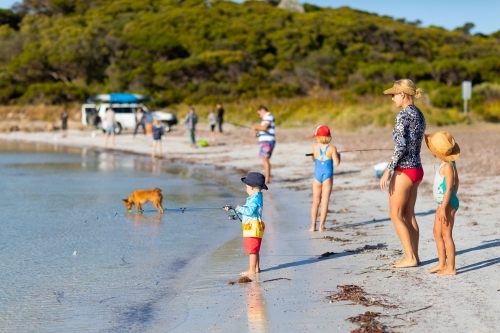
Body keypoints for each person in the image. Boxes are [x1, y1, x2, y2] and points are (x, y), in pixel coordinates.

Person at [379, 79, 426, 268]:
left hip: (404, 170)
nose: (392, 98)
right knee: (409, 214)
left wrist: (388, 170)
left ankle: (410, 257)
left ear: (403, 95)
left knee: (395, 214)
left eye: (394, 95)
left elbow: (400, 146)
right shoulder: (420, 114)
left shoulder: (402, 116)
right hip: (417, 169)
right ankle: (414, 256)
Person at [424, 131, 460, 276]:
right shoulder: (443, 163)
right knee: (436, 232)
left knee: (446, 234)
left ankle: (451, 267)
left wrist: (445, 207)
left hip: (447, 204)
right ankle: (442, 263)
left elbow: (450, 187)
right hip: (442, 203)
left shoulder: (448, 166)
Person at [224, 172, 267, 275]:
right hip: (254, 226)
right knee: (255, 249)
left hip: (253, 227)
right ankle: (256, 268)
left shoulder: (255, 199)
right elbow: (246, 211)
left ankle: (252, 269)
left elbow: (249, 211)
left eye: (246, 187)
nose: (246, 189)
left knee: (252, 250)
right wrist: (233, 210)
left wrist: (239, 208)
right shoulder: (256, 197)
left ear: (252, 187)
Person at [309, 125, 341, 232]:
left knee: (315, 202)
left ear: (318, 137)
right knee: (325, 201)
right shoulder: (332, 148)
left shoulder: (314, 146)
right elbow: (336, 163)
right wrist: (338, 155)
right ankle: (321, 226)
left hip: (317, 176)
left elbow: (313, 159)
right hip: (328, 176)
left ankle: (312, 226)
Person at [251, 106, 275, 184]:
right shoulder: (266, 118)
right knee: (265, 159)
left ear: (262, 110)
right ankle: (268, 178)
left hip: (267, 141)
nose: (259, 116)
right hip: (265, 141)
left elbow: (264, 127)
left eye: (259, 114)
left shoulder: (268, 116)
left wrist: (256, 127)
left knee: (265, 159)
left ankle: (267, 179)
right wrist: (257, 134)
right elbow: (264, 131)